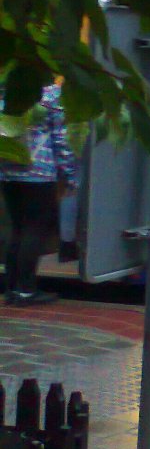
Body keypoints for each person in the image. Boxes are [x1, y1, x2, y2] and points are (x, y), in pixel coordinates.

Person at [0, 81, 77, 305]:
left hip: (8, 170)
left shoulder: (7, 90)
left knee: (18, 229)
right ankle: (26, 290)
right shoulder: (50, 94)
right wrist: (69, 174)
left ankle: (12, 288)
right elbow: (61, 138)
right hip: (39, 171)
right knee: (34, 229)